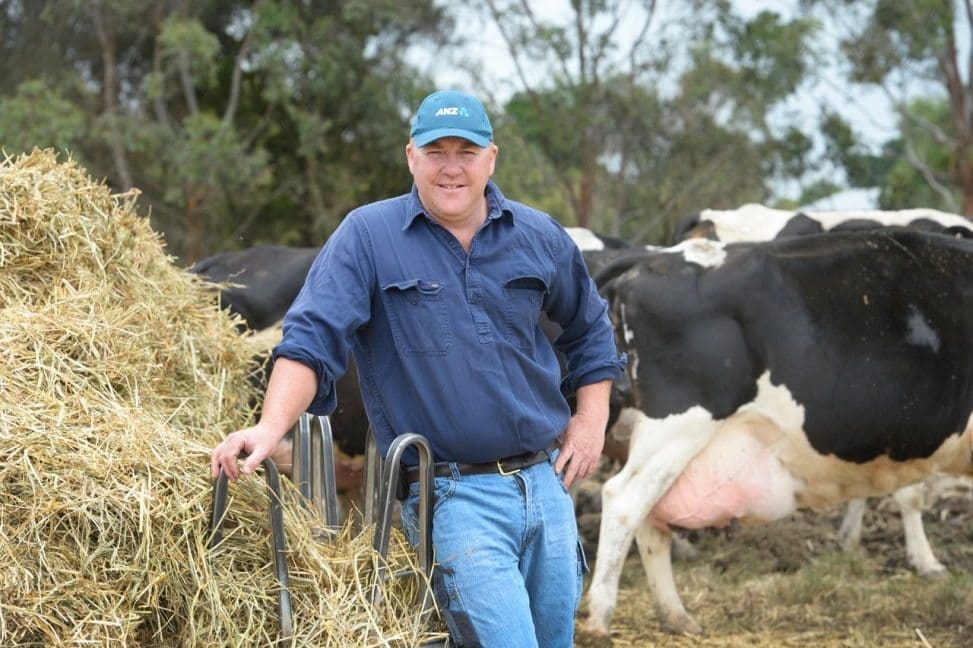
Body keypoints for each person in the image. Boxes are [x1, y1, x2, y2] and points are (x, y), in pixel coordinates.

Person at [210, 89, 626, 647]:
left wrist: (591, 418)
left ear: (491, 158)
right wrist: (269, 427)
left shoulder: (538, 235)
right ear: (411, 156)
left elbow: (590, 327)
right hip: (456, 497)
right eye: (435, 152)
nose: (451, 168)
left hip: (546, 486)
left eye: (466, 152)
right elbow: (310, 338)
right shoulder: (368, 237)